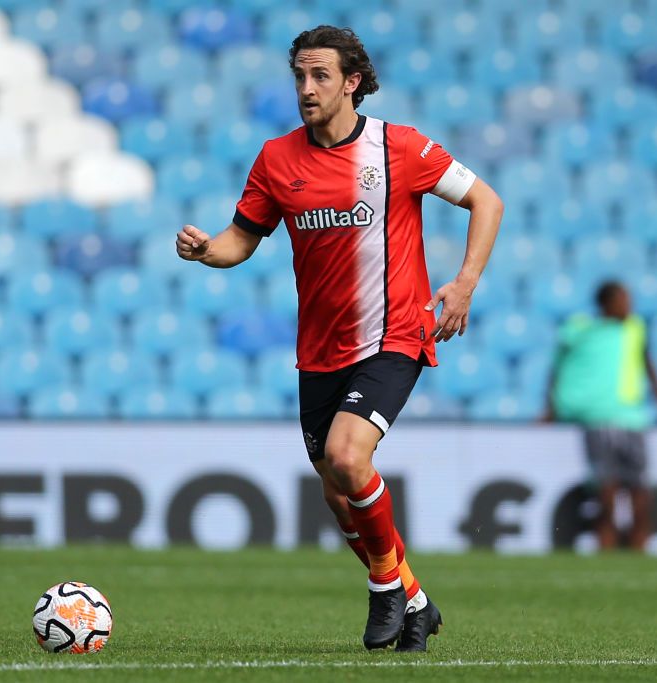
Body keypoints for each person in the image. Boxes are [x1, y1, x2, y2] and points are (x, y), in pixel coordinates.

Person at [176, 25, 503, 651]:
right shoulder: (276, 159)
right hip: (320, 349)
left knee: (351, 458)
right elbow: (239, 240)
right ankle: (415, 598)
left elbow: (487, 201)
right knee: (336, 487)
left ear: (352, 82)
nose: (306, 88)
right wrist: (205, 252)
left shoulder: (398, 148)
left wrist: (463, 284)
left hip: (395, 334)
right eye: (299, 75)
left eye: (320, 75)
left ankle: (385, 588)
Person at [543, 281, 657, 551]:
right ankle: (606, 548)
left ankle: (639, 549)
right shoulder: (581, 331)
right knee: (605, 490)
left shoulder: (635, 329)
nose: (628, 306)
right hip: (598, 419)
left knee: (640, 490)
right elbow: (557, 367)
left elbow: (648, 365)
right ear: (606, 304)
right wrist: (550, 407)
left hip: (634, 419)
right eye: (623, 300)